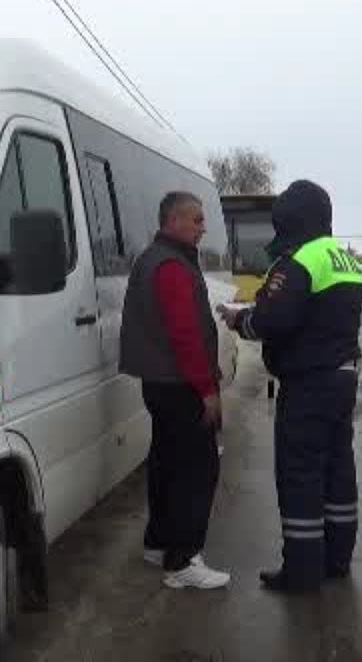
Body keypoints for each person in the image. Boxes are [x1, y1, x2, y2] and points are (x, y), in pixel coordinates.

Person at [218, 179, 362, 594]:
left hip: (309, 385)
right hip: (342, 377)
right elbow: (310, 312)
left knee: (300, 474)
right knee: (338, 470)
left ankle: (302, 573)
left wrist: (239, 319)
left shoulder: (297, 259)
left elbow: (273, 320)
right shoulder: (343, 258)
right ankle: (337, 560)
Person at [119, 190, 231, 590]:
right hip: (182, 385)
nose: (203, 228)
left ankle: (159, 542)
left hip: (161, 384)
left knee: (166, 462)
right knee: (197, 469)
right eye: (196, 220)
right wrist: (207, 389)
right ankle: (183, 561)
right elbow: (185, 336)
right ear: (173, 221)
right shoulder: (171, 266)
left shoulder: (154, 259)